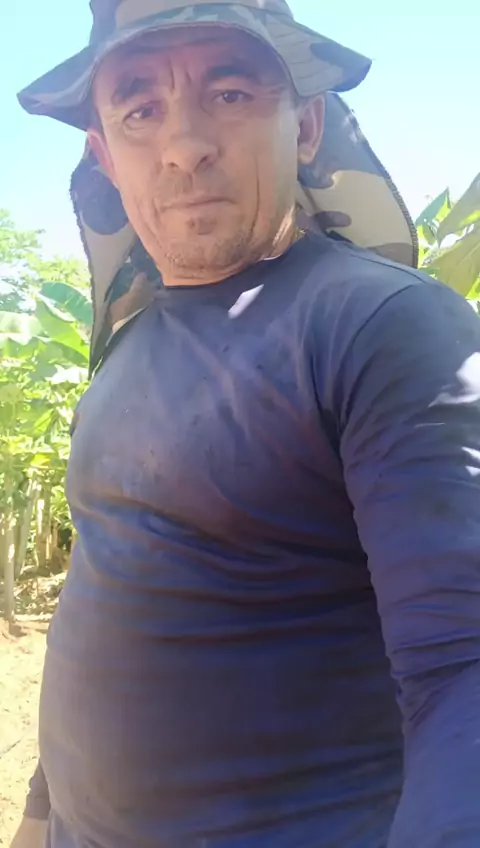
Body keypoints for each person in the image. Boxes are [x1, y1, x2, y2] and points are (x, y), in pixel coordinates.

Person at [13, 1, 480, 846]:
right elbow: (112, 586)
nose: (184, 145)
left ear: (306, 125)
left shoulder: (378, 326)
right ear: (104, 156)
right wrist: (41, 815)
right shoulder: (126, 349)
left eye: (229, 94)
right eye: (140, 110)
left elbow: (464, 665)